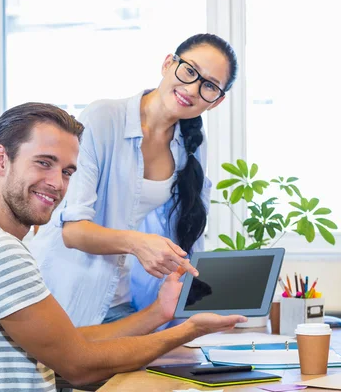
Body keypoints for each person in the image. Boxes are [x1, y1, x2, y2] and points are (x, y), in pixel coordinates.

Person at [0, 103, 246, 391]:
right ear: (0, 160)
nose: (57, 183)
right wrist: (188, 331)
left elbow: (73, 343)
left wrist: (159, 313)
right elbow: (79, 366)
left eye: (67, 172)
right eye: (43, 163)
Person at [29, 33, 238, 326]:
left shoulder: (191, 144)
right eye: (189, 71)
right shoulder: (104, 118)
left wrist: (188, 321)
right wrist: (138, 244)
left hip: (120, 296)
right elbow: (72, 231)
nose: (192, 89)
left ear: (217, 101)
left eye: (209, 86)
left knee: (172, 367)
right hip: (60, 294)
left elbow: (190, 240)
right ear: (168, 64)